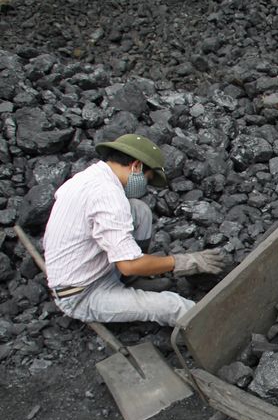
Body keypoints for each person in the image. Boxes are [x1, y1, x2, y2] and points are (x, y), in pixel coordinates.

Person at [43, 134, 226, 326]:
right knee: (174, 306)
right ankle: (222, 329)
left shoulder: (88, 178)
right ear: (136, 166)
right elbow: (128, 265)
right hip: (82, 294)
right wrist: (184, 261)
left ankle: (129, 281)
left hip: (87, 269)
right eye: (147, 179)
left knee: (139, 210)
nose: (145, 185)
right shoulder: (108, 195)